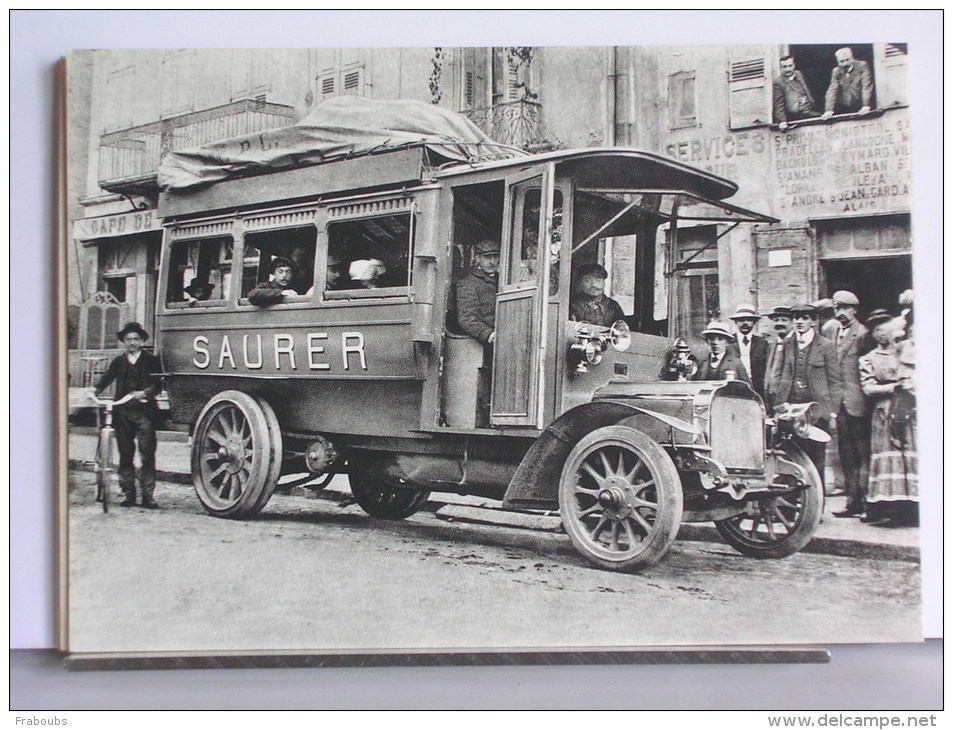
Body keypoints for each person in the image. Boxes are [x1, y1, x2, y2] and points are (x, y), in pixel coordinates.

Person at [93, 322, 162, 508]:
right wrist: (95, 390)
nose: (132, 342)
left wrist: (145, 393)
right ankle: (128, 493)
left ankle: (148, 495)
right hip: (122, 412)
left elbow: (158, 383)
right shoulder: (119, 361)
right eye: (129, 339)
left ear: (141, 341)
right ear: (124, 341)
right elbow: (107, 378)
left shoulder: (151, 360)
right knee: (125, 454)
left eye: (136, 339)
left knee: (147, 454)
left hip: (144, 413)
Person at [858, 310, 918, 525]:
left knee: (908, 454)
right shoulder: (868, 359)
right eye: (877, 330)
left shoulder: (905, 352)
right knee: (887, 454)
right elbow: (868, 388)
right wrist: (894, 386)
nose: (881, 334)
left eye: (884, 329)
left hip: (908, 410)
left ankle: (911, 508)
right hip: (884, 411)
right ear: (873, 334)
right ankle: (887, 508)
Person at [774, 303, 843, 489]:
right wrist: (778, 405)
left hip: (816, 411)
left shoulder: (826, 346)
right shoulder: (787, 344)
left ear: (813, 321)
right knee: (789, 456)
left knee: (815, 459)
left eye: (804, 318)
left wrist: (833, 413)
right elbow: (779, 374)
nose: (799, 322)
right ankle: (792, 505)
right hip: (790, 409)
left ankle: (815, 507)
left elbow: (835, 382)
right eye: (796, 317)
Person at [829, 291, 872, 518]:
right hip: (840, 405)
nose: (841, 313)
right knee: (846, 455)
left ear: (854, 309)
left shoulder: (863, 333)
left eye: (845, 308)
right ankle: (852, 501)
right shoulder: (833, 331)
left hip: (858, 402)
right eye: (837, 308)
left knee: (863, 454)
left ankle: (867, 503)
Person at [455, 239, 500, 346]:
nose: (492, 262)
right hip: (484, 345)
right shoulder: (467, 283)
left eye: (495, 256)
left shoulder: (503, 280)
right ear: (477, 258)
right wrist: (488, 334)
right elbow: (467, 318)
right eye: (487, 257)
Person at [728, 304, 768, 397]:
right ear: (735, 322)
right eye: (741, 320)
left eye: (749, 320)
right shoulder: (728, 342)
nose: (745, 323)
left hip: (757, 390)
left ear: (754, 322)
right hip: (733, 388)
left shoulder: (762, 343)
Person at [821, 48, 873, 119]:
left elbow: (866, 86)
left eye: (847, 60)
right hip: (845, 107)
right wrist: (828, 110)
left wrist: (866, 106)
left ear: (852, 58)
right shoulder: (836, 71)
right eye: (842, 61)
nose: (845, 63)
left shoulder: (862, 65)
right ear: (838, 62)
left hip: (861, 104)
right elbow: (832, 90)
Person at [569, 263, 626, 328]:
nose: (593, 285)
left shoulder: (613, 306)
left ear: (603, 283)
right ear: (580, 283)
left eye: (598, 280)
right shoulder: (572, 305)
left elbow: (621, 329)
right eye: (587, 281)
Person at [773, 55, 817, 131]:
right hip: (796, 116)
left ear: (794, 65)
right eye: (784, 67)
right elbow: (778, 103)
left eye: (790, 66)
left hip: (809, 111)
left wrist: (810, 101)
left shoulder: (799, 74)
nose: (788, 69)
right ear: (781, 68)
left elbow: (805, 90)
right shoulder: (778, 82)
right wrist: (782, 121)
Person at [763, 305, 795, 410]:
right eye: (776, 320)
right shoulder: (771, 345)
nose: (779, 323)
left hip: (789, 400)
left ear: (792, 323)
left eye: (784, 320)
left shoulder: (797, 344)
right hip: (771, 398)